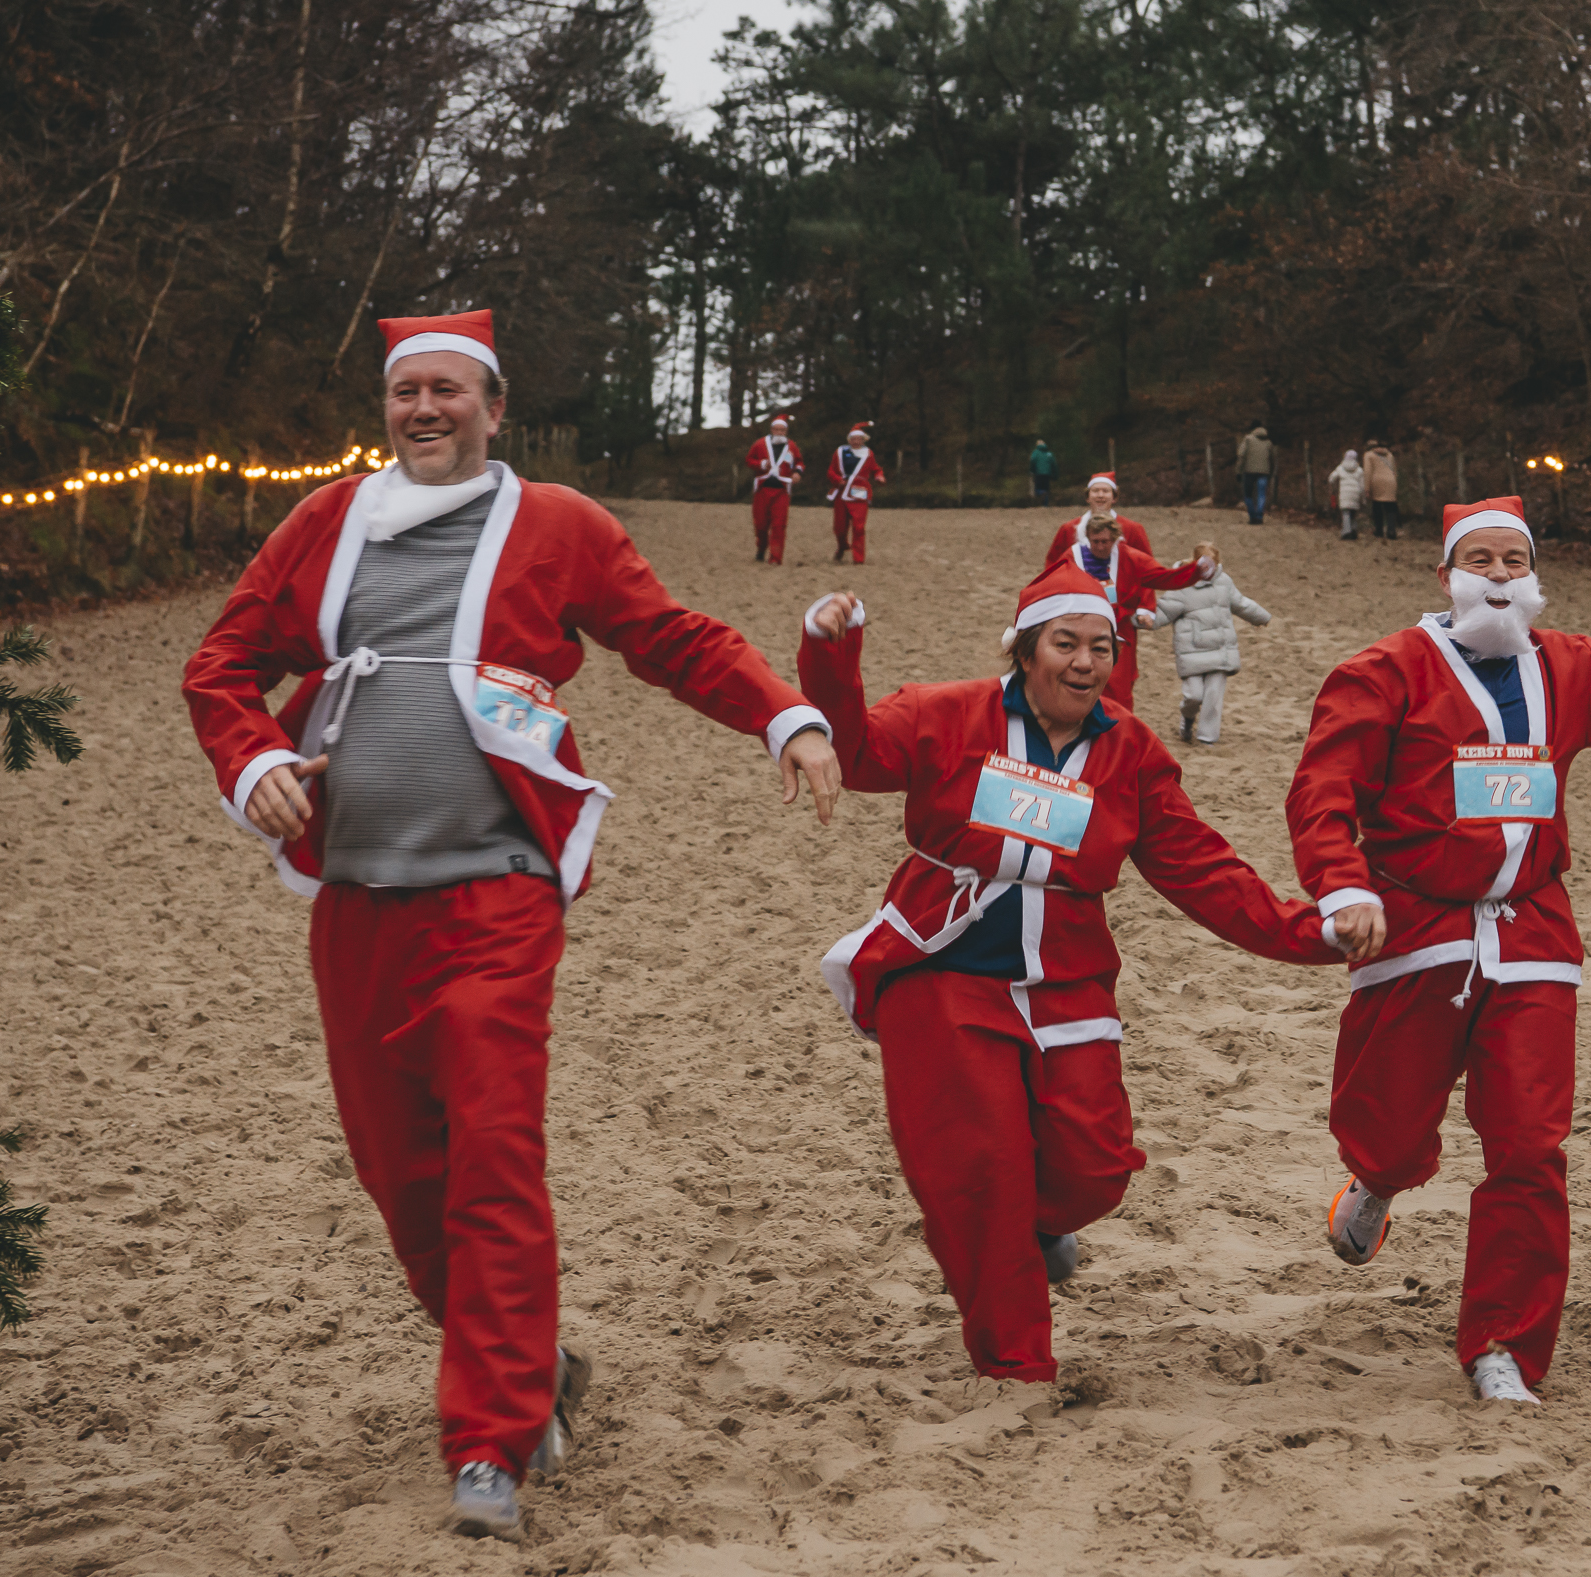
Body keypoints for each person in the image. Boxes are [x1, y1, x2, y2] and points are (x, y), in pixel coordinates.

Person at [182, 309, 844, 1542]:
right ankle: (528, 1358)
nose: (424, 410)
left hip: (497, 890)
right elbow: (220, 665)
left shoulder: (558, 523)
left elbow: (670, 637)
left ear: (494, 408)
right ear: (386, 406)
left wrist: (784, 715)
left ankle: (490, 1439)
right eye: (405, 392)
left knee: (491, 1150)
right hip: (358, 897)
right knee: (400, 1174)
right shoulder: (327, 523)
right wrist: (252, 756)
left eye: (449, 391)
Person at [796, 561, 1376, 1390]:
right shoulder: (944, 713)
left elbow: (1199, 867)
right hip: (942, 967)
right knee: (979, 1171)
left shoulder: (1128, 748)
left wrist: (1310, 931)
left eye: (1099, 647)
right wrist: (830, 652)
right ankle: (1017, 1362)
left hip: (1067, 976)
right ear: (1025, 650)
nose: (1084, 662)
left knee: (1094, 1166)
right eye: (1064, 644)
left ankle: (1037, 1227)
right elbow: (854, 752)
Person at [1285, 496, 1591, 1408]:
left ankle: (1502, 1344)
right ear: (1447, 576)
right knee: (1387, 1120)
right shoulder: (1380, 672)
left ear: (1534, 573)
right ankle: (1381, 1177)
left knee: (1529, 1148)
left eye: (1515, 561)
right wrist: (1342, 883)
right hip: (1417, 931)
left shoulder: (1572, 666)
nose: (1501, 578)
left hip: (1531, 934)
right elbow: (1321, 787)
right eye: (1481, 561)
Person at [1044, 473, 1215, 710]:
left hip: (1120, 622)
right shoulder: (1070, 539)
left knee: (1118, 683)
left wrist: (1193, 573)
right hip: (1077, 621)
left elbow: (1156, 575)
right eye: (1095, 542)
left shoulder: (1131, 540)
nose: (1100, 547)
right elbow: (1050, 576)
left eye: (1106, 491)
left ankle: (1116, 731)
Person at [1138, 558, 1271, 745]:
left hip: (1220, 650)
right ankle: (1187, 717)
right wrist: (1143, 619)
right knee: (1194, 696)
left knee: (1214, 695)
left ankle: (1207, 738)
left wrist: (1262, 617)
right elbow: (1164, 612)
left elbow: (1241, 603)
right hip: (1192, 653)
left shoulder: (1223, 582)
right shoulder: (1181, 587)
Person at [745, 413, 802, 564]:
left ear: (786, 431)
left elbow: (799, 463)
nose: (779, 433)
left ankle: (776, 558)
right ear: (771, 430)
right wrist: (762, 464)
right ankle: (761, 548)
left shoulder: (792, 447)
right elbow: (749, 460)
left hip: (782, 491)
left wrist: (797, 473)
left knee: (779, 525)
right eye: (776, 430)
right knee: (761, 525)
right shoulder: (759, 444)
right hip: (763, 489)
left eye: (782, 430)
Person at [828, 421, 886, 565]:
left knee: (859, 527)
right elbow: (831, 471)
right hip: (842, 493)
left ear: (863, 440)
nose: (856, 441)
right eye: (853, 439)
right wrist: (837, 480)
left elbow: (875, 469)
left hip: (859, 493)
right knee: (839, 528)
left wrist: (879, 476)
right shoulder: (840, 452)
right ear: (849, 440)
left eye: (859, 439)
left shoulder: (868, 454)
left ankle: (858, 559)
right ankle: (842, 547)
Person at [1235, 423, 1275, 524]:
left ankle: (1252, 516)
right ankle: (1259, 515)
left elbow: (1241, 455)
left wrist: (1239, 471)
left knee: (1248, 495)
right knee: (1261, 494)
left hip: (1249, 472)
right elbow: (1272, 459)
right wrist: (1271, 472)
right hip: (1264, 472)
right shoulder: (1268, 442)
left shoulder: (1248, 439)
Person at [1363, 441, 1400, 540]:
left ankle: (1379, 530)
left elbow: (1367, 472)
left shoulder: (1368, 455)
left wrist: (1367, 488)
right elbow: (1394, 470)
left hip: (1377, 481)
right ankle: (1391, 530)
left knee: (1377, 506)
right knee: (1391, 507)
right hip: (1391, 481)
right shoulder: (1389, 454)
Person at [1329, 449, 1366, 542]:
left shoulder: (1340, 468)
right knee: (1353, 513)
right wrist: (1363, 498)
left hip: (1345, 494)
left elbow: (1331, 478)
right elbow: (1362, 486)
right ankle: (1353, 531)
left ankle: (1346, 532)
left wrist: (1333, 485)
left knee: (1346, 513)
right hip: (1355, 494)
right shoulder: (1359, 470)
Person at [1028, 438, 1058, 505]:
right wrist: (1055, 475)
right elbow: (1054, 464)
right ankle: (1045, 505)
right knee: (1046, 489)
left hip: (1038, 473)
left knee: (1038, 489)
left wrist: (1032, 471)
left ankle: (1041, 494)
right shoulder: (1049, 454)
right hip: (1047, 474)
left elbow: (1032, 461)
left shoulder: (1035, 453)